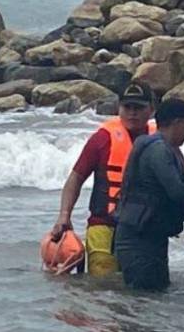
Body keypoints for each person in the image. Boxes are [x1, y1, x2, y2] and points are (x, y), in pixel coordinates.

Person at [114, 99, 184, 291]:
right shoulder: (158, 150)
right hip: (138, 243)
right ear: (177, 123)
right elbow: (178, 194)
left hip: (151, 239)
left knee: (154, 297)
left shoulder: (168, 151)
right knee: (144, 300)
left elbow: (179, 209)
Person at [50, 82, 155, 277]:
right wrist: (64, 215)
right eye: (127, 107)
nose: (132, 113)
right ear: (119, 108)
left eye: (139, 108)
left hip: (144, 230)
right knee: (102, 288)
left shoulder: (161, 142)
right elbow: (76, 178)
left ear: (151, 109)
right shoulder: (102, 139)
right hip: (103, 226)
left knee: (143, 291)